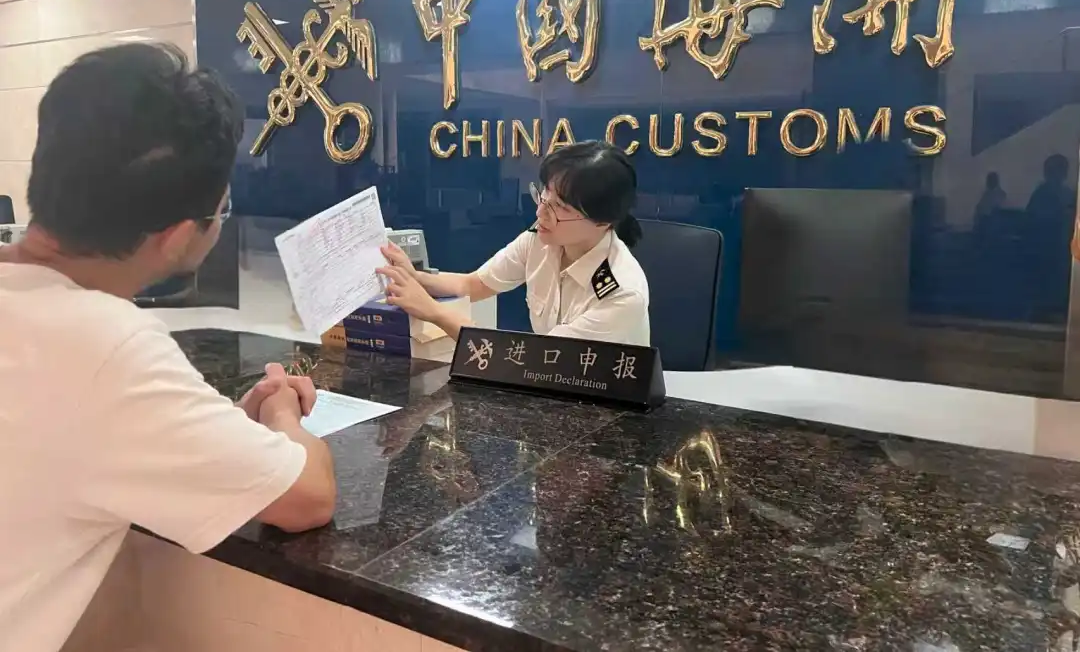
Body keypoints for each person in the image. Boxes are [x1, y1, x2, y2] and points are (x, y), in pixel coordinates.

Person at [0, 44, 337, 652]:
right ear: (181, 235)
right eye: (222, 210)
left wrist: (218, 427)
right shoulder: (104, 348)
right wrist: (282, 412)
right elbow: (307, 496)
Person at [378, 140, 650, 346]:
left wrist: (435, 312)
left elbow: (533, 359)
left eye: (560, 208)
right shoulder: (540, 239)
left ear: (602, 221)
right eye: (544, 196)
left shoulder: (622, 294)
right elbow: (473, 284)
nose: (540, 213)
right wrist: (415, 277)